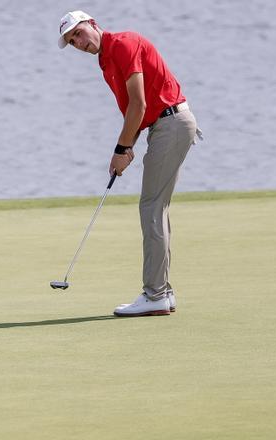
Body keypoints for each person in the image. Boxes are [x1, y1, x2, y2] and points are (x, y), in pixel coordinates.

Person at [58, 10, 202, 317]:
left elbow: (140, 103)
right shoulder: (105, 61)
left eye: (79, 33)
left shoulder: (123, 44)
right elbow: (133, 112)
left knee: (151, 207)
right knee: (155, 208)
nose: (78, 43)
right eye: (72, 42)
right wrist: (126, 150)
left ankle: (156, 295)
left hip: (172, 123)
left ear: (93, 24)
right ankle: (163, 292)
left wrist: (122, 148)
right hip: (162, 127)